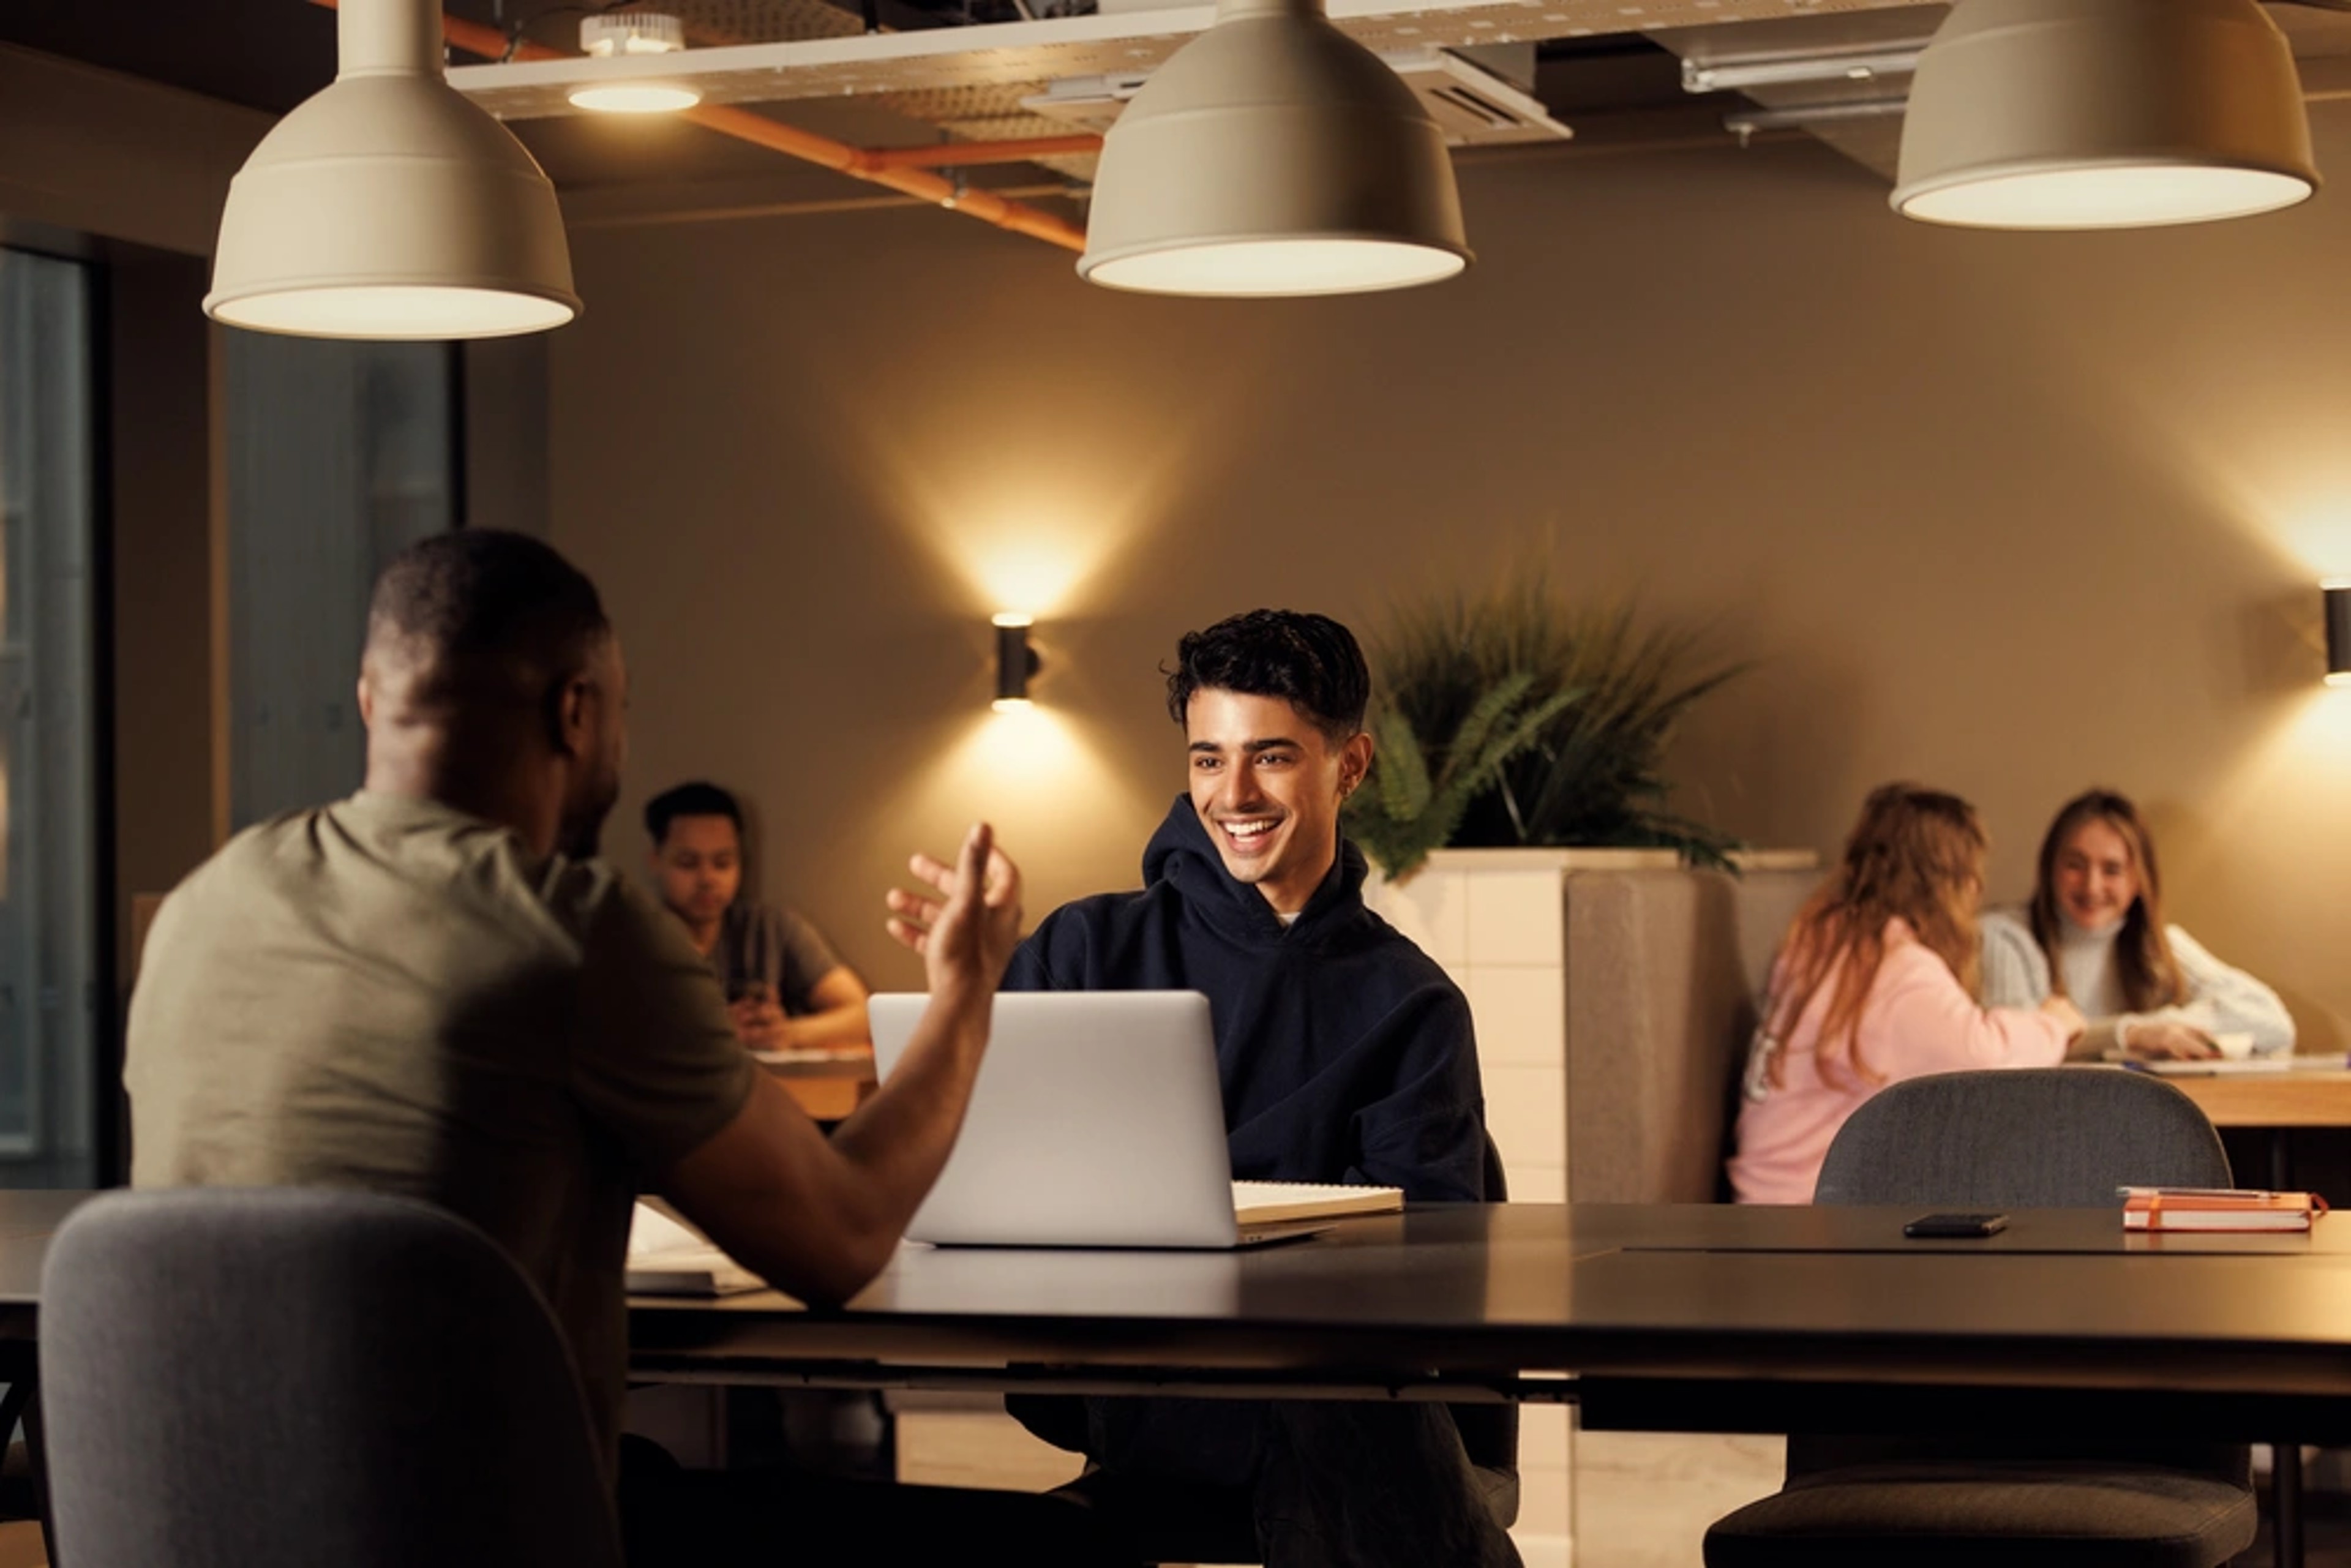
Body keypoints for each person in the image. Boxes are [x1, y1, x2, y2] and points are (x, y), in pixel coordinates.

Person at [123, 530, 1120, 1567]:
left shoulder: (205, 904)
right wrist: (966, 988)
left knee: (653, 1470)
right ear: (577, 711)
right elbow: (844, 1239)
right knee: (1071, 1549)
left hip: (208, 1526)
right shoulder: (568, 928)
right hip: (472, 1531)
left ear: (372, 700)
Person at [1003, 608, 1518, 1568]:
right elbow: (990, 1173)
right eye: (1207, 758)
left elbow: (1430, 1270)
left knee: (1340, 1401)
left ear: (1350, 766)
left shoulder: (1412, 1005)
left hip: (1325, 1384)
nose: (1232, 792)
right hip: (1139, 1379)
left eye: (1271, 757)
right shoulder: (1084, 949)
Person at [1729, 782, 2086, 1206]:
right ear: (1952, 882)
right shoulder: (1896, 970)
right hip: (1811, 1218)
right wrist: (2056, 1023)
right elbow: (1987, 1057)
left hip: (1768, 1204)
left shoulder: (1824, 941)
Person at [1980, 788, 2295, 1060]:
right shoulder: (2004, 937)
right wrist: (2132, 1034)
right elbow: (2017, 1050)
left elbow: (2271, 1022)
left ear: (2138, 882)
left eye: (2112, 870)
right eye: (2075, 865)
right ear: (2050, 869)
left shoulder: (2161, 945)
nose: (2092, 886)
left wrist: (2165, 1026)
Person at [644, 780, 870, 1052]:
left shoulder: (772, 928)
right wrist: (713, 1032)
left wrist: (784, 1034)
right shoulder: (631, 938)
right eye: (688, 864)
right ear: (656, 860)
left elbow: (862, 1015)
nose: (707, 879)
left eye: (722, 863)